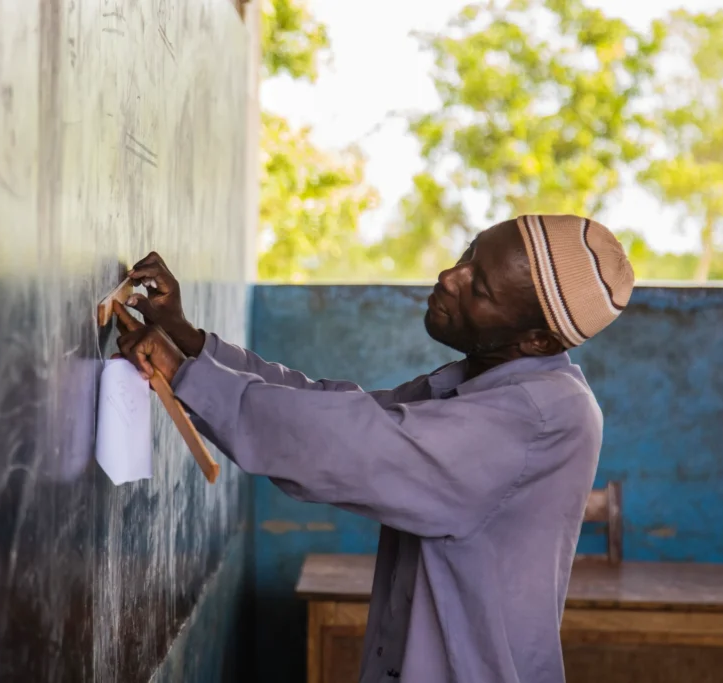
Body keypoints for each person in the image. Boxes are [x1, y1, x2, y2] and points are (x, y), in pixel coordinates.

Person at [115, 214, 634, 683]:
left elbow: (347, 445)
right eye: (469, 254)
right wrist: (189, 341)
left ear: (536, 341)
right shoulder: (490, 383)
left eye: (481, 288)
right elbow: (331, 406)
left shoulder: (532, 418)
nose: (450, 277)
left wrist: (187, 374)